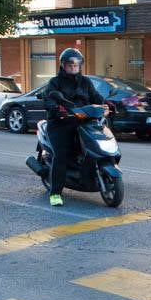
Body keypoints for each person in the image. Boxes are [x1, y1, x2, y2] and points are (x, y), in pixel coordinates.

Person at [42, 48, 106, 207]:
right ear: (63, 65)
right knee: (61, 154)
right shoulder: (55, 82)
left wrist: (107, 104)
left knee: (96, 146)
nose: (73, 67)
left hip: (83, 121)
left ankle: (89, 176)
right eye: (70, 65)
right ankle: (55, 193)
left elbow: (96, 97)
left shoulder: (86, 82)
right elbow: (49, 99)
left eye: (76, 65)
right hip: (60, 123)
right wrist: (57, 109)